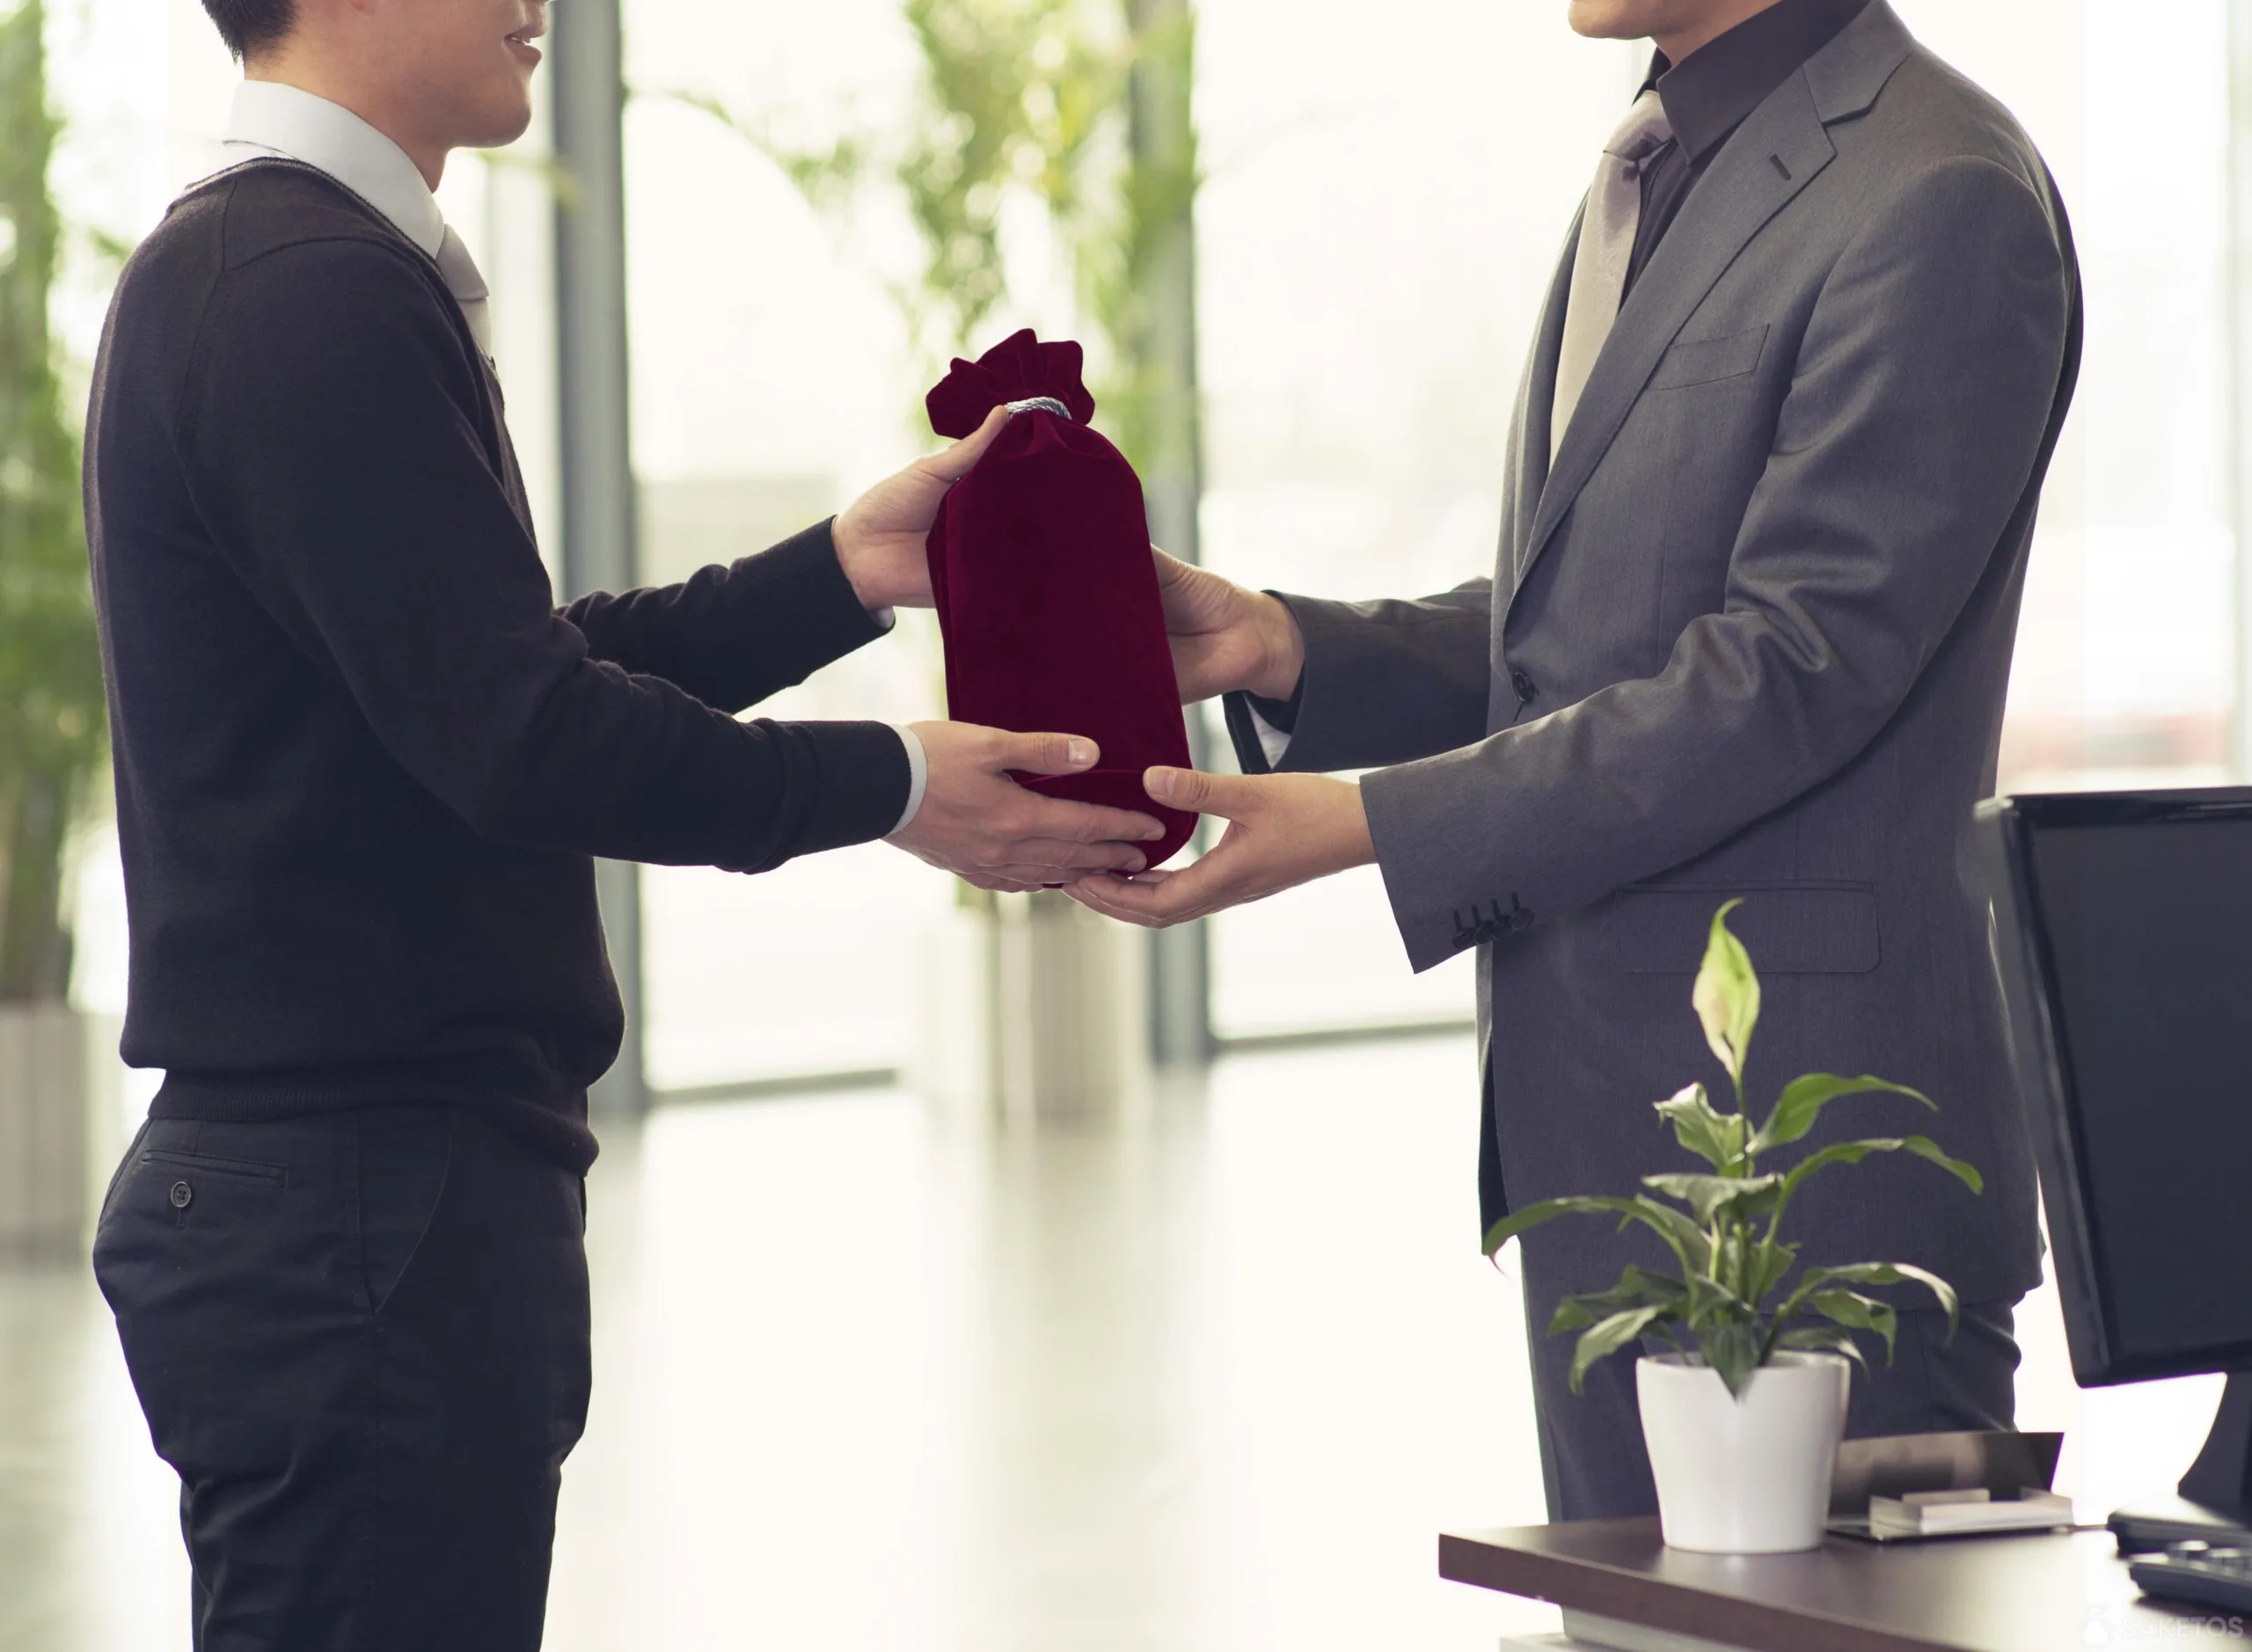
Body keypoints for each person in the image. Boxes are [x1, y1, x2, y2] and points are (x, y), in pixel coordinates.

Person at [84, 0, 1164, 1645]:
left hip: (362, 1203)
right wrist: (892, 786)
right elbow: (523, 737)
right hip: (357, 1212)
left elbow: (497, 675)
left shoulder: (296, 268)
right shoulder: (303, 293)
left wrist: (840, 572)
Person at [1071, 0, 2081, 1520]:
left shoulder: (1944, 190)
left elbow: (1783, 672)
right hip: (1616, 1138)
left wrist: (1367, 822)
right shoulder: (1664, 149)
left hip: (1811, 1183)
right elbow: (1608, 626)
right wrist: (1288, 646)